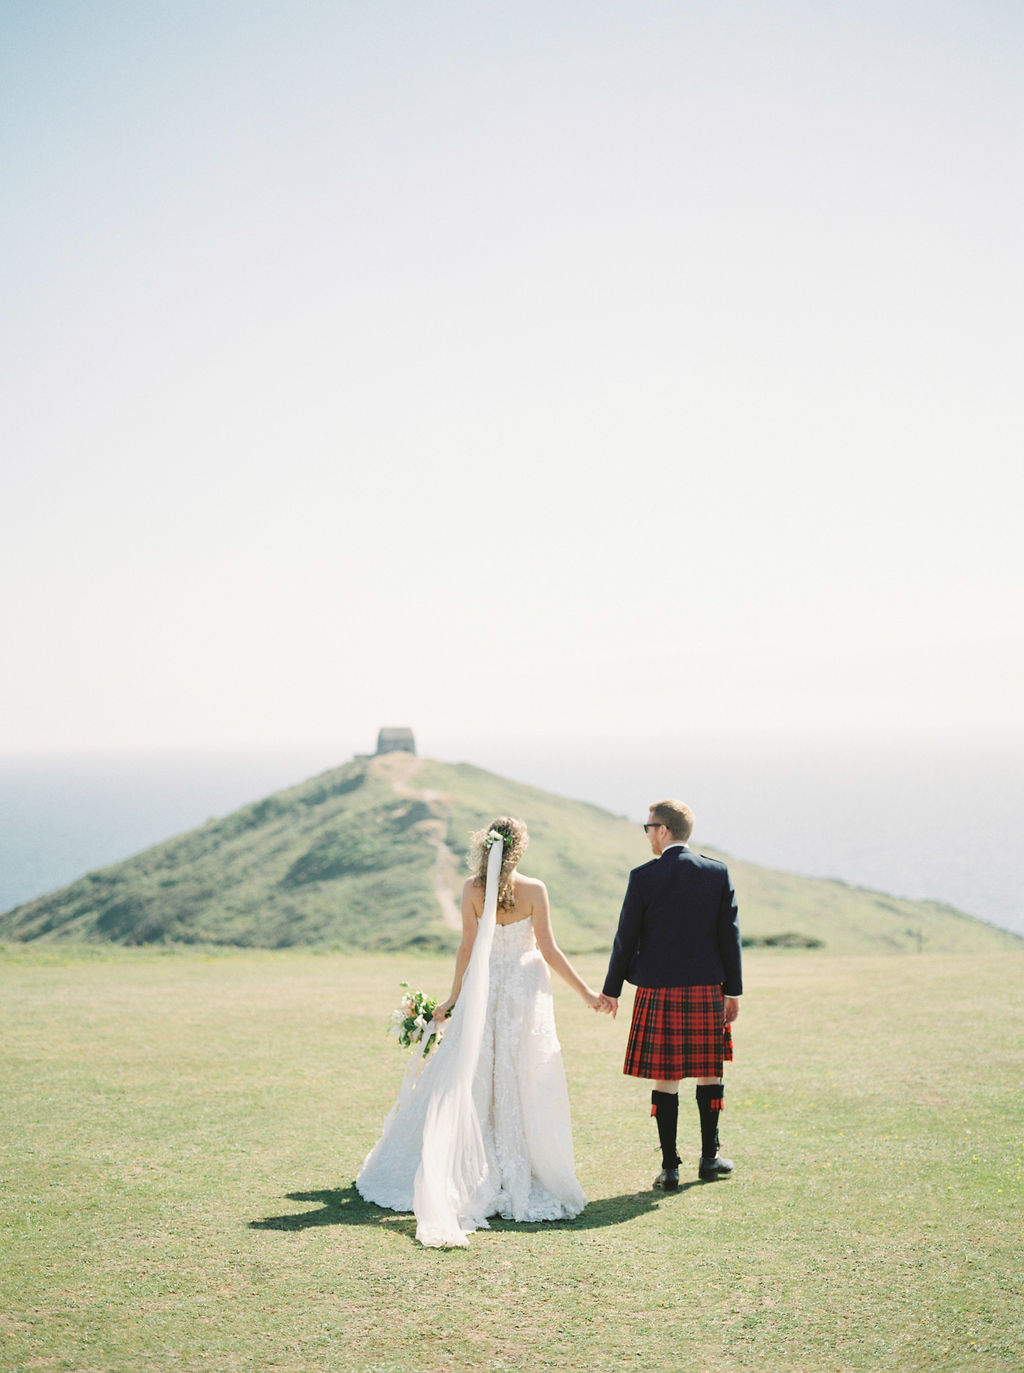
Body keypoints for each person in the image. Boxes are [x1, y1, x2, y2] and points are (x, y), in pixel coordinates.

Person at [356, 815, 608, 1247]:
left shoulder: (473, 890)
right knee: (521, 1074)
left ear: (484, 848)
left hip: (484, 987)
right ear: (521, 848)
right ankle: (518, 1166)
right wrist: (586, 992)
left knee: (471, 1069)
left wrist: (454, 998)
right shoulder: (535, 890)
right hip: (524, 993)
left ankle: (461, 1163)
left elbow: (469, 947)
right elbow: (547, 948)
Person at [601, 799, 742, 1189]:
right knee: (709, 1072)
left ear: (663, 831)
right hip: (706, 989)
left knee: (666, 1077)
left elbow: (624, 940)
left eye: (648, 827)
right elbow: (728, 937)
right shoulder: (716, 872)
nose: (647, 834)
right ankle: (710, 1159)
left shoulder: (643, 877)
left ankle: (669, 1167)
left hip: (658, 991)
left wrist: (611, 991)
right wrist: (733, 991)